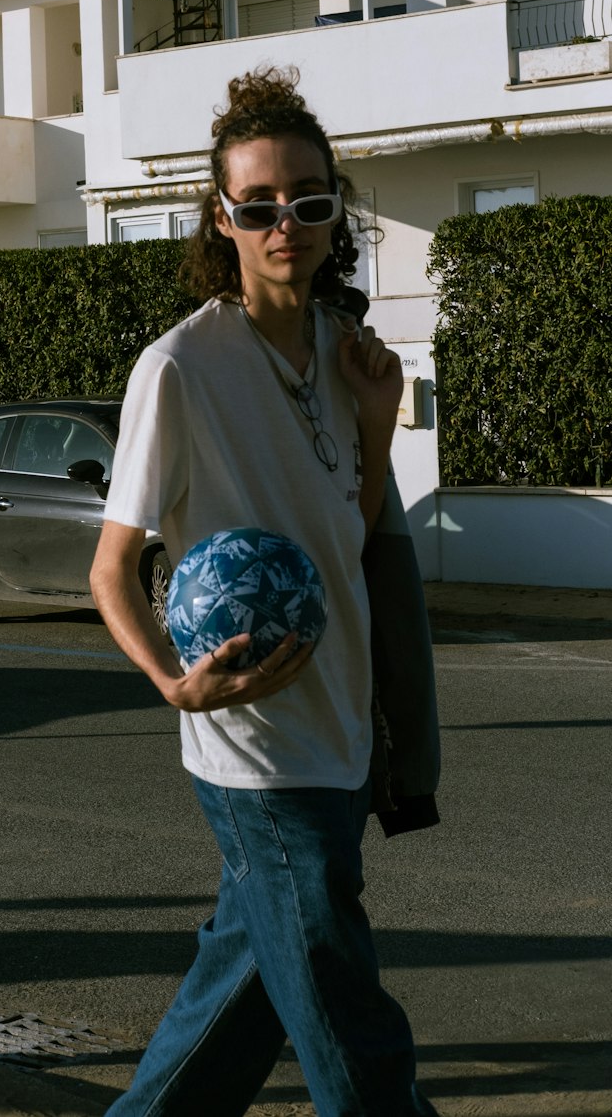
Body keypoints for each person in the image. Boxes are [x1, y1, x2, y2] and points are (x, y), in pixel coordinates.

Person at [90, 66, 440, 1117]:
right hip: (254, 747)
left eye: (308, 199)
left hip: (340, 730)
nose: (284, 222)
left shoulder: (351, 357)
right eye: (258, 206)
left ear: (336, 210)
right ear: (223, 220)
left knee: (235, 1005)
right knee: (347, 1022)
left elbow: (351, 527)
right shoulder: (181, 369)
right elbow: (109, 567)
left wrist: (376, 429)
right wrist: (170, 682)